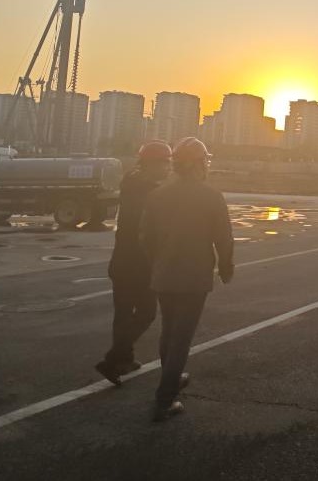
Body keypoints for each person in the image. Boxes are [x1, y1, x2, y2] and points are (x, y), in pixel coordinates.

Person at [139, 137, 234, 422]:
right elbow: (223, 237)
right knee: (181, 337)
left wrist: (157, 263)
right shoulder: (211, 196)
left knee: (169, 330)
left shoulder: (157, 195)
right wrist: (226, 266)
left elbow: (145, 237)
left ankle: (172, 375)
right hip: (194, 277)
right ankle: (165, 399)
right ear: (199, 164)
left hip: (164, 274)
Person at [95, 140, 172, 386]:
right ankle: (113, 360)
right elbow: (152, 231)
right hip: (140, 264)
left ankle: (124, 359)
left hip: (121, 262)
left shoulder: (131, 183)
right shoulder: (150, 193)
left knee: (123, 315)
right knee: (147, 313)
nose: (168, 167)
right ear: (151, 164)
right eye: (164, 163)